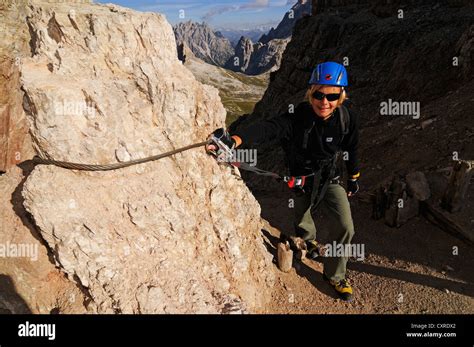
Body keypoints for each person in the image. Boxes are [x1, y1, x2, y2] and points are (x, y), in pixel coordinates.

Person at [207, 62, 360, 302]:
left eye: (332, 95)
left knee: (345, 226)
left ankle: (335, 275)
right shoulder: (298, 117)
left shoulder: (346, 119)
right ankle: (307, 243)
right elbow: (270, 128)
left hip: (330, 178)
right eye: (319, 94)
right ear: (311, 93)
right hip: (300, 177)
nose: (324, 101)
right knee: (302, 214)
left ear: (341, 96)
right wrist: (235, 139)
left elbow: (351, 149)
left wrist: (353, 178)